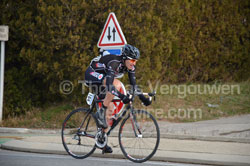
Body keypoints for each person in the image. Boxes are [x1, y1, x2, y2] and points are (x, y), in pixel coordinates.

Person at [84, 44, 151, 153]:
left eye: (135, 61)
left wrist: (144, 99)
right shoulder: (114, 63)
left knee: (110, 113)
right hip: (92, 74)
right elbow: (110, 86)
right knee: (113, 86)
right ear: (125, 58)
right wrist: (122, 96)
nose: (134, 63)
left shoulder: (130, 67)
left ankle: (101, 141)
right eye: (132, 60)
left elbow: (134, 86)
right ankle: (100, 113)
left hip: (103, 78)